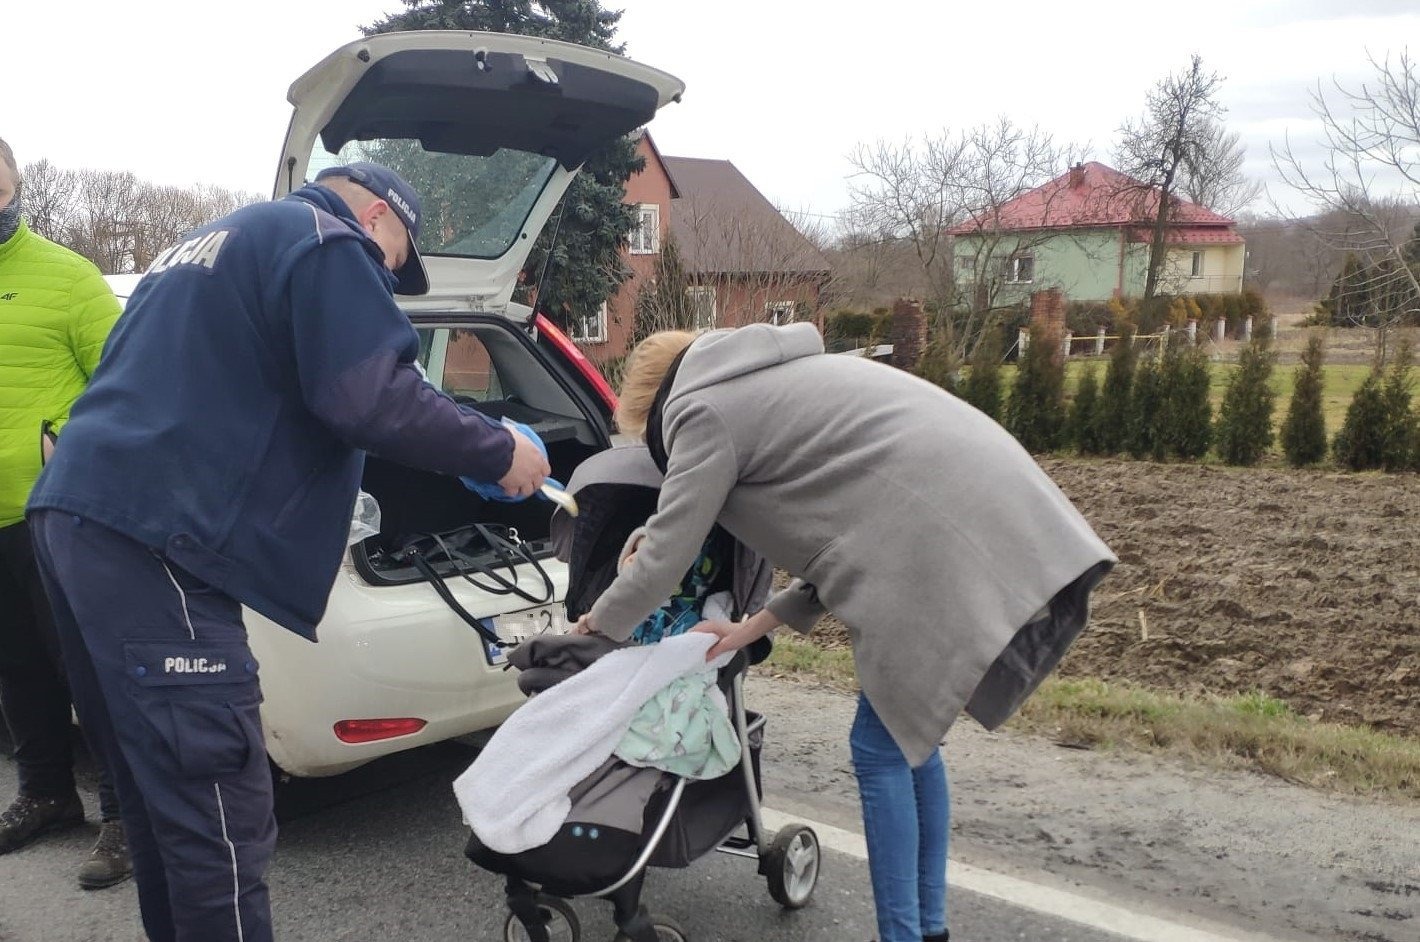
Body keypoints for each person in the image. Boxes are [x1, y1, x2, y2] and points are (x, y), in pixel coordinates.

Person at [25, 161, 549, 942]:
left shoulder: (208, 242)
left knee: (163, 802)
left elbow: (265, 391)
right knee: (219, 820)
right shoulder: (325, 239)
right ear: (376, 217)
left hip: (80, 518)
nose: (387, 275)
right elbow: (369, 394)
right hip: (156, 540)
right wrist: (494, 449)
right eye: (397, 257)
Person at [574, 324, 1116, 942]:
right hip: (971, 503)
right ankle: (927, 929)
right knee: (914, 742)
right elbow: (841, 542)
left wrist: (594, 631)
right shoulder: (767, 386)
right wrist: (751, 626)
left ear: (652, 410)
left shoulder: (702, 411)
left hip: (930, 533)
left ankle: (906, 935)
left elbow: (664, 557)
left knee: (882, 746)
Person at [0, 136, 132, 888]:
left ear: (16, 187)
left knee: (87, 671)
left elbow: (124, 389)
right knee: (15, 670)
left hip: (56, 517)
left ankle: (123, 815)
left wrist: (69, 440)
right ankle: (47, 794)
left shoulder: (68, 276)